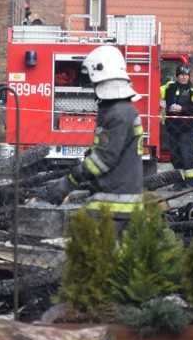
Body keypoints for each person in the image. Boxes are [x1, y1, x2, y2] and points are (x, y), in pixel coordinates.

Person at [40, 45, 144, 233]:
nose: (92, 86)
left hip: (113, 204)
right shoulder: (121, 109)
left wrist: (69, 181)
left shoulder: (118, 113)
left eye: (92, 82)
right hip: (116, 199)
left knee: (86, 247)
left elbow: (104, 159)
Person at [160, 64, 193, 191]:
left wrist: (182, 109)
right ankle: (179, 182)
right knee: (175, 156)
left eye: (186, 75)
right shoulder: (169, 87)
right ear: (177, 76)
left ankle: (192, 183)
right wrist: (160, 103)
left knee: (187, 155)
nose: (184, 77)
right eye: (182, 75)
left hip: (187, 128)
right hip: (173, 128)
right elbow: (154, 92)